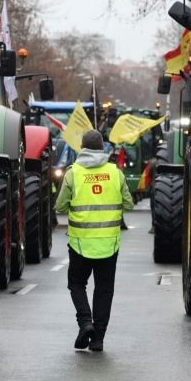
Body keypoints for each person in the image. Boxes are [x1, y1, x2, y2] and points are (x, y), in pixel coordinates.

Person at [55, 130, 134, 351]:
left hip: (80, 244)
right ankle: (98, 339)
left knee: (77, 284)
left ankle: (85, 322)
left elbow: (60, 206)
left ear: (82, 147)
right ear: (103, 148)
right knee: (104, 290)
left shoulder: (73, 173)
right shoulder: (115, 173)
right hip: (109, 244)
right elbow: (128, 204)